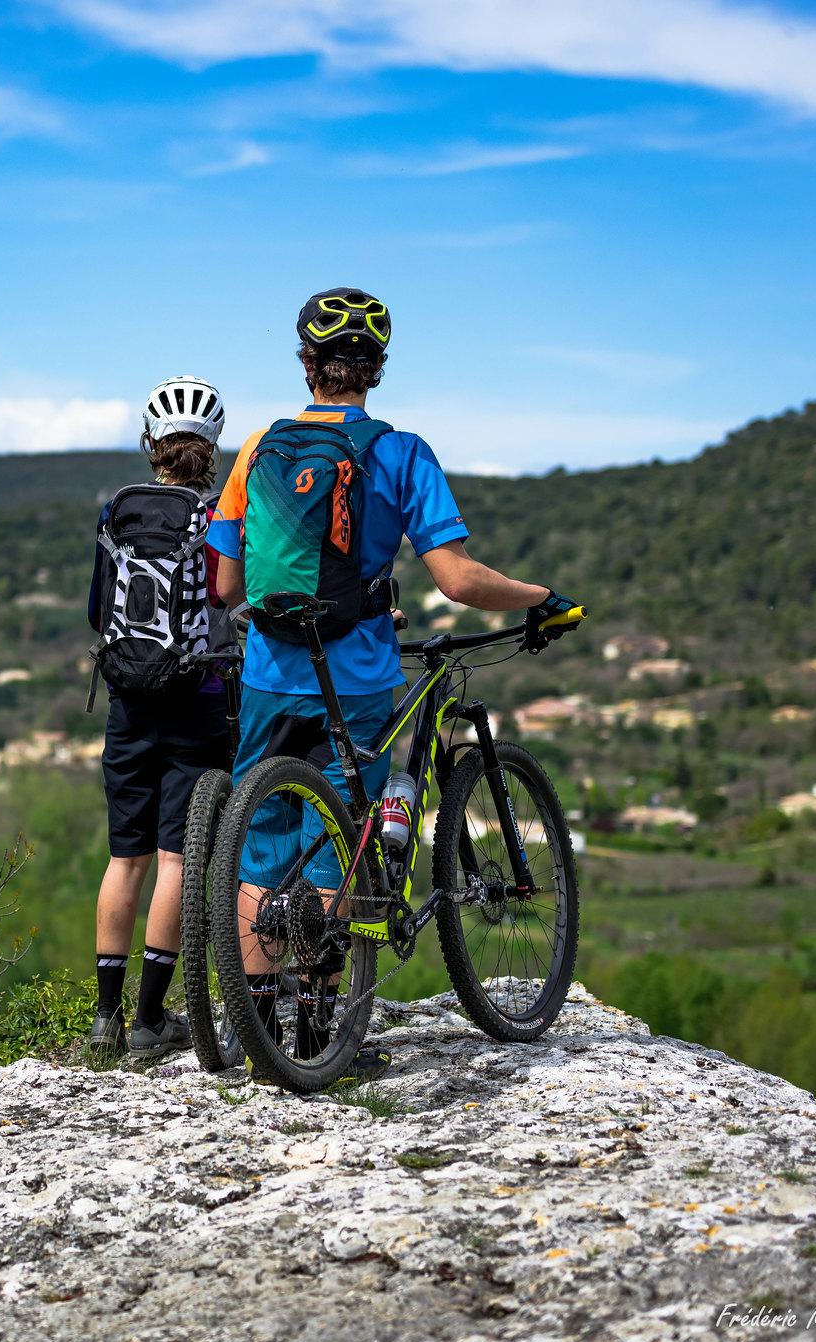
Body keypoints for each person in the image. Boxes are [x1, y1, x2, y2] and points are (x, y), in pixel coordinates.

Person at [207, 289, 581, 1069]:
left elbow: (224, 586)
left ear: (306, 364)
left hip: (273, 671)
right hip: (359, 674)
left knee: (261, 842)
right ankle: (316, 1037)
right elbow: (458, 579)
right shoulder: (402, 452)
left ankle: (259, 1036)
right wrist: (540, 598)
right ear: (374, 369)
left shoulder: (255, 449)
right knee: (336, 840)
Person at [85, 375, 232, 1059]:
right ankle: (151, 1018)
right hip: (196, 702)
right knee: (176, 856)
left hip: (128, 702)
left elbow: (97, 611)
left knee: (126, 858)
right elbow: (232, 598)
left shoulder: (118, 509)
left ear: (151, 445)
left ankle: (104, 1020)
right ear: (212, 445)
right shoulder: (217, 518)